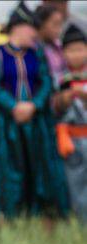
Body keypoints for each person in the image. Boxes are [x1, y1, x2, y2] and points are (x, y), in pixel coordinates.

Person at [0, 1, 69, 221]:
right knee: (8, 168)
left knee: (38, 165)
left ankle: (40, 212)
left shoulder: (36, 54)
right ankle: (8, 215)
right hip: (5, 123)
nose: (35, 33)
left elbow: (46, 82)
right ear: (19, 28)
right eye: (32, 28)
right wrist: (14, 107)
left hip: (35, 121)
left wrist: (33, 105)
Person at [53, 24, 87, 224]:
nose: (75, 55)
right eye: (71, 50)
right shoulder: (60, 78)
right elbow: (56, 107)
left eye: (80, 49)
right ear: (64, 53)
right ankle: (80, 226)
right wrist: (67, 96)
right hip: (71, 140)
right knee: (75, 186)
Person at [36, 4, 66, 83]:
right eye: (55, 24)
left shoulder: (59, 46)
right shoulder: (33, 49)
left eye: (60, 24)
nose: (59, 29)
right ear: (41, 24)